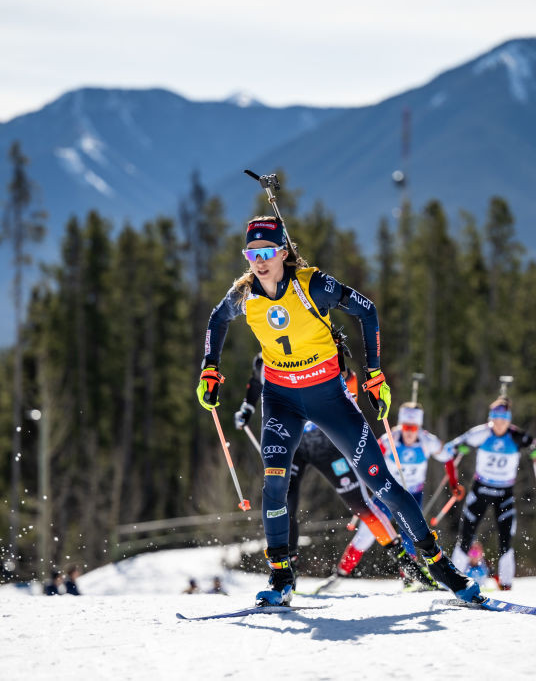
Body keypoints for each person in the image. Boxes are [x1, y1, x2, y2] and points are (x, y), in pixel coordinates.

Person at [198, 215, 483, 607]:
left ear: (282, 251)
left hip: (328, 399)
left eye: (267, 252)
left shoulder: (312, 284)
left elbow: (366, 310)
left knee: (381, 482)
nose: (260, 261)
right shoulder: (244, 294)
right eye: (252, 253)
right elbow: (216, 319)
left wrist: (375, 374)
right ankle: (282, 576)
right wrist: (209, 369)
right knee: (274, 484)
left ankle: (439, 566)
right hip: (281, 400)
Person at [234, 353, 438, 591]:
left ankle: (407, 563)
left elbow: (348, 383)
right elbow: (257, 381)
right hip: (294, 445)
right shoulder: (263, 360)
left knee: (361, 504)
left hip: (327, 445)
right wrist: (247, 408)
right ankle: (288, 570)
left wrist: (346, 381)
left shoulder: (314, 349)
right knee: (284, 502)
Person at [443, 396, 536, 591]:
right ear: (491, 419)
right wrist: (457, 448)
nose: (499, 424)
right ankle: (452, 582)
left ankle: (506, 584)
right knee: (466, 536)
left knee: (506, 539)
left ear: (509, 420)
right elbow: (448, 448)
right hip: (481, 490)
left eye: (504, 420)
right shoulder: (481, 433)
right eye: (496, 420)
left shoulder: (517, 436)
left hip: (504, 493)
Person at [371, 402, 460, 576]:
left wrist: (454, 483)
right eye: (406, 427)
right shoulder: (390, 437)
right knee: (372, 526)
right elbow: (372, 455)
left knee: (410, 532)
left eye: (413, 428)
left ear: (418, 427)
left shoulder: (428, 440)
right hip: (389, 490)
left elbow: (448, 458)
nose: (410, 432)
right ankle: (343, 572)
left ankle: (409, 576)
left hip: (413, 493)